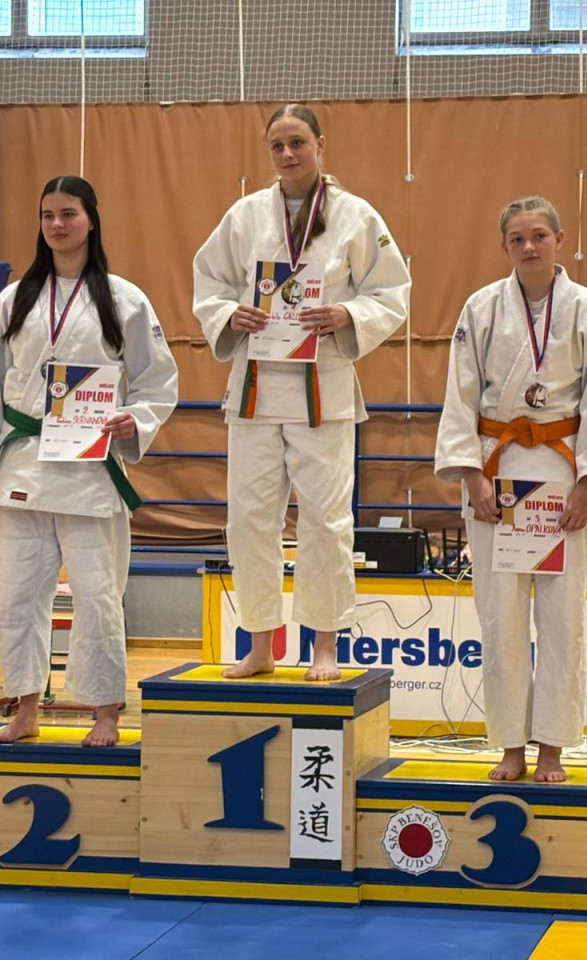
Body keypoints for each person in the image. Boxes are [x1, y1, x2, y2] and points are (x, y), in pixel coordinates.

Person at [0, 175, 178, 747]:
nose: (57, 224)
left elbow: (158, 380)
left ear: (91, 219)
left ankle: (105, 711)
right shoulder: (15, 298)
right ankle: (25, 707)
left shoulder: (124, 299)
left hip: (90, 469)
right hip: (24, 465)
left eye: (68, 213)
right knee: (16, 597)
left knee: (98, 597)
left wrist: (136, 419)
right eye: (47, 215)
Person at [192, 103, 410, 682]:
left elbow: (391, 291)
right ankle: (260, 643)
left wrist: (347, 313)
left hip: (323, 389)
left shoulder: (356, 216)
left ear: (320, 144)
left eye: (297, 142)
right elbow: (209, 281)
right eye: (277, 145)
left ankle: (324, 645)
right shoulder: (244, 216)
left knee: (326, 522)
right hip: (256, 389)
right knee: (248, 520)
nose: (287, 154)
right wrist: (228, 314)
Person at [435, 195, 587, 782]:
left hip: (564, 474)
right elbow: (461, 394)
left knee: (563, 620)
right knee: (500, 619)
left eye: (539, 235)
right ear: (504, 247)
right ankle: (510, 746)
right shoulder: (480, 307)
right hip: (496, 474)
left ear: (560, 239)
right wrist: (472, 477)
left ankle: (553, 749)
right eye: (517, 238)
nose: (529, 246)